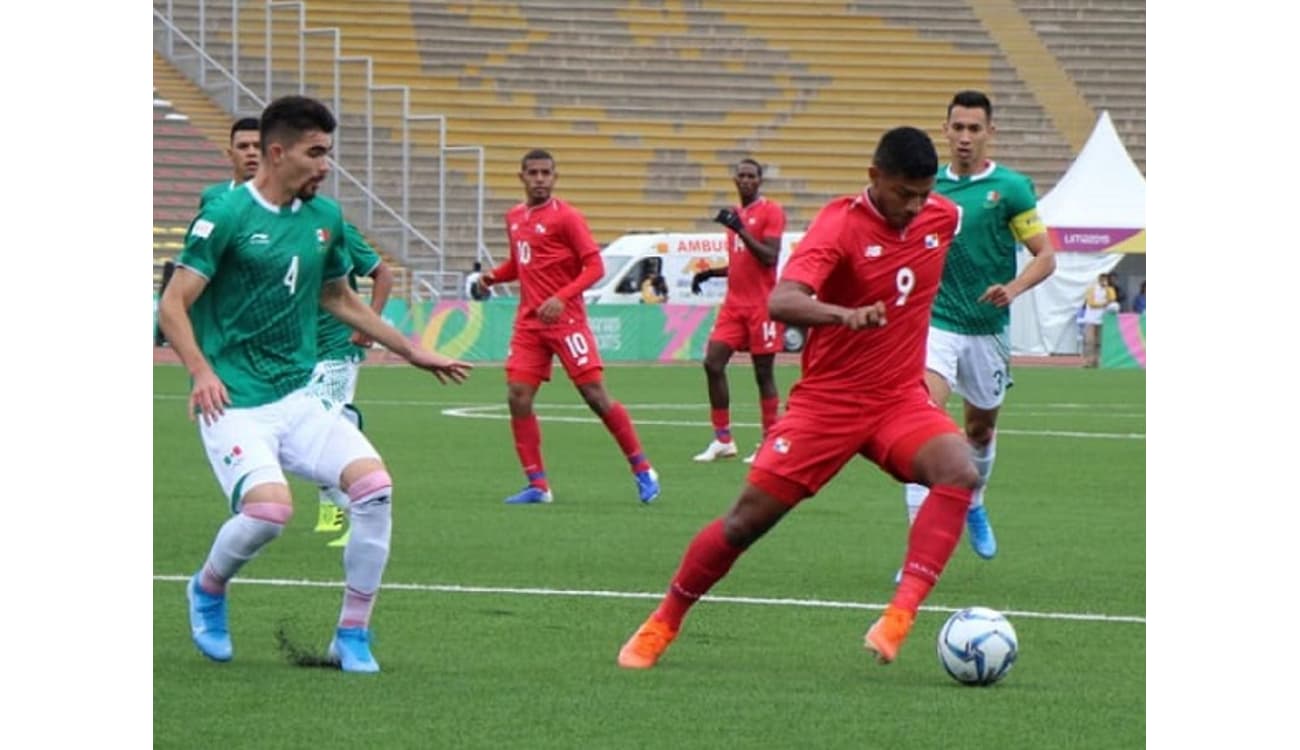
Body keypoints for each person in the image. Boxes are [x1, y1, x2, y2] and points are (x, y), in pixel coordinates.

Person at [617, 126, 978, 670]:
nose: (916, 205)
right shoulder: (839, 225)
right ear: (874, 177)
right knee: (743, 523)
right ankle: (662, 621)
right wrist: (844, 316)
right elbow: (783, 300)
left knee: (960, 470)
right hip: (827, 404)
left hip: (898, 399)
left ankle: (899, 616)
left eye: (925, 193)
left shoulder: (942, 218)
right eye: (905, 193)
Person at [158, 95, 472, 673]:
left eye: (328, 152)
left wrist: (411, 350)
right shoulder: (225, 215)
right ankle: (207, 587)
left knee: (375, 490)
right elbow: (173, 303)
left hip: (297, 398)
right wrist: (201, 371)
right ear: (277, 154)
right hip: (234, 403)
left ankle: (352, 634)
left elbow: (337, 297)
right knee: (270, 513)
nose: (326, 165)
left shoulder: (325, 219)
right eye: (316, 152)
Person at [898, 90, 1057, 564]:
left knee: (980, 431)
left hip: (987, 328)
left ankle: (975, 500)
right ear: (944, 130)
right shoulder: (925, 187)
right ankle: (919, 552)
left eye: (974, 128)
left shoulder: (1010, 189)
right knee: (920, 421)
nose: (965, 137)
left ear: (990, 132)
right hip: (936, 324)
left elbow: (1045, 257)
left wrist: (1011, 289)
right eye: (958, 128)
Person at [473, 149, 660, 505]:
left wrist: (561, 297)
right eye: (533, 173)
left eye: (546, 173)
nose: (540, 179)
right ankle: (538, 485)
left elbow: (594, 268)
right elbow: (521, 262)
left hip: (567, 320)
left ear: (555, 177)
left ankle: (643, 469)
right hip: (529, 323)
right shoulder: (514, 217)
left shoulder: (568, 218)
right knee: (517, 396)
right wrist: (492, 277)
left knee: (595, 395)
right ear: (522, 177)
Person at [689, 158, 788, 464]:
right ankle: (723, 439)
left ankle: (769, 440)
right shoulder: (737, 215)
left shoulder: (771, 212)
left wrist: (740, 229)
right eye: (741, 176)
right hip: (734, 306)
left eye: (751, 176)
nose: (745, 180)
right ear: (735, 179)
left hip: (762, 306)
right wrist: (711, 273)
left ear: (759, 181)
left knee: (763, 373)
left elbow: (769, 257)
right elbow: (742, 263)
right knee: (713, 363)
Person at [308, 223, 394, 548]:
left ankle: (356, 510)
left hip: (337, 346)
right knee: (303, 432)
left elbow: (383, 274)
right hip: (299, 351)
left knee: (320, 428)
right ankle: (333, 506)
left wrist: (368, 324)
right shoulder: (276, 226)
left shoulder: (334, 225)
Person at [198, 117, 261, 209]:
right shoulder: (212, 196)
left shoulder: (284, 199)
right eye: (243, 146)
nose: (251, 152)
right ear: (231, 154)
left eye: (258, 146)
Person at [1081, 272, 1116, 367]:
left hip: (1102, 318)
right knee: (1089, 341)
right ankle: (1088, 361)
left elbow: (1112, 298)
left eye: (1106, 280)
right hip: (1090, 319)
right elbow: (1092, 303)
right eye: (1102, 280)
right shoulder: (1092, 290)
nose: (1104, 282)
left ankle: (1097, 361)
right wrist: (1104, 304)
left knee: (1099, 342)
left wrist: (1107, 289)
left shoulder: (1109, 290)